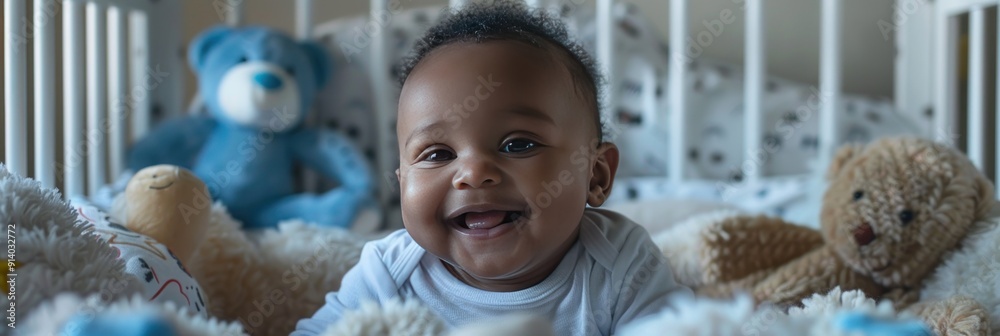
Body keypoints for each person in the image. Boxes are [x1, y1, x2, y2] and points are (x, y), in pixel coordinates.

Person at [293, 1, 691, 334]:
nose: (473, 173)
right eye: (437, 154)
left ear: (596, 175)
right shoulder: (389, 274)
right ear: (402, 183)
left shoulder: (619, 264)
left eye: (518, 144)